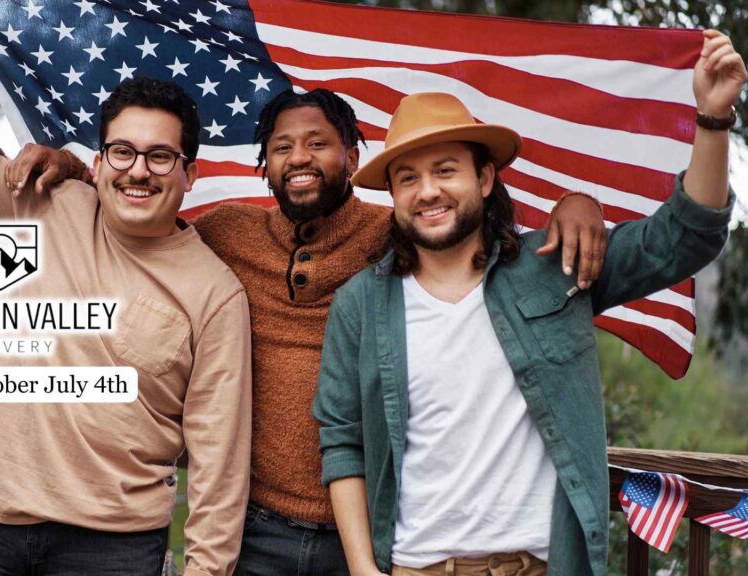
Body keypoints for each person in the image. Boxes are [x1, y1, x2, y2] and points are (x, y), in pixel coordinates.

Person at [12, 86, 606, 573]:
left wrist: (574, 202)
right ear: (263, 165)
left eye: (319, 144)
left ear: (352, 158)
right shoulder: (224, 233)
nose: (299, 157)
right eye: (282, 147)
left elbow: (471, 228)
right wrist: (72, 166)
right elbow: (145, 198)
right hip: (255, 531)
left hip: (369, 535)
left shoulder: (394, 232)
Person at [313, 29, 743, 576]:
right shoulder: (360, 305)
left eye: (445, 170)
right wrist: (363, 570)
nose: (428, 192)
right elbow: (342, 440)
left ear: (485, 176)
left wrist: (711, 119)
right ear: (394, 195)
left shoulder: (556, 265)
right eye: (408, 178)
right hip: (414, 568)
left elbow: (686, 236)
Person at [0, 2, 252, 575]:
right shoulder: (43, 201)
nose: (138, 170)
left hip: (113, 548)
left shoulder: (216, 292)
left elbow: (220, 461)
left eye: (160, 156)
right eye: (122, 152)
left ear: (188, 173)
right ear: (98, 163)